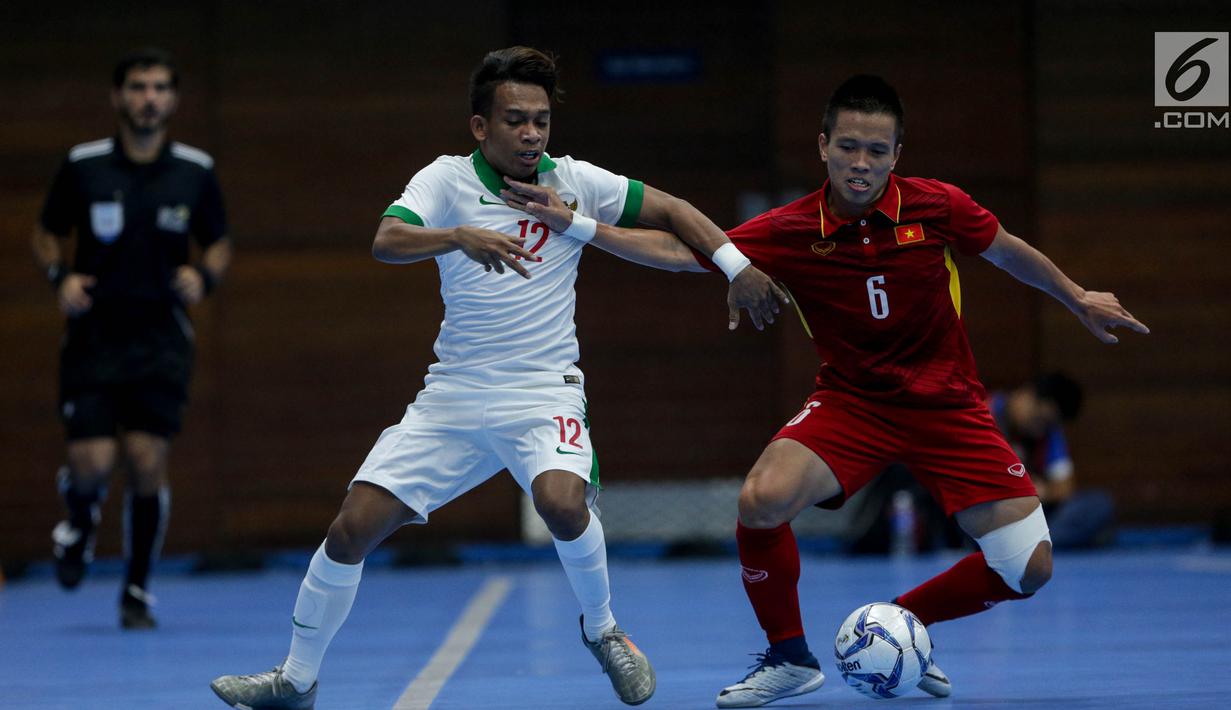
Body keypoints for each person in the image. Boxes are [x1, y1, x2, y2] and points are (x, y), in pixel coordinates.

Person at [499, 74, 1148, 708]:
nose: (859, 163)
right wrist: (578, 226)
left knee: (1026, 567)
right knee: (761, 499)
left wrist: (1077, 296)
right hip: (852, 403)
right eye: (846, 147)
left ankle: (898, 627)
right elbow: (675, 252)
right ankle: (788, 658)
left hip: (948, 404)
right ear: (821, 147)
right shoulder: (789, 229)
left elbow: (1005, 250)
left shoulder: (937, 206)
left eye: (875, 150)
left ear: (897, 154)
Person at [210, 46, 785, 709]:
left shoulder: (573, 180)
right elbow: (385, 240)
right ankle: (296, 680)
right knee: (350, 528)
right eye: (516, 120)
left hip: (544, 392)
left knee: (563, 502)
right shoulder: (447, 179)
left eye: (541, 120)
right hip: (453, 395)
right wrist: (457, 236)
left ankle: (603, 632)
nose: (532, 134)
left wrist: (737, 266)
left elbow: (675, 212)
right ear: (480, 126)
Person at [31, 48, 231, 630]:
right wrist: (58, 276)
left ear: (172, 100)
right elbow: (46, 233)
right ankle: (79, 517)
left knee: (146, 460)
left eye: (161, 87)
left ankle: (138, 588)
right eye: (138, 87)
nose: (149, 97)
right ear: (118, 97)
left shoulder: (195, 170)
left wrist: (205, 274)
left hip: (160, 339)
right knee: (91, 462)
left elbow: (218, 239)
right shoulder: (83, 166)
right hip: (93, 338)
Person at [990, 372, 1116, 549]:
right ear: (1027, 395)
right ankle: (1029, 545)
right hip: (990, 510)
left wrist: (1042, 490)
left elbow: (1064, 488)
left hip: (1031, 515)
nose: (1040, 429)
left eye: (1048, 424)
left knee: (1099, 503)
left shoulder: (1047, 432)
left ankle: (1028, 545)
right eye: (1039, 419)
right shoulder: (985, 413)